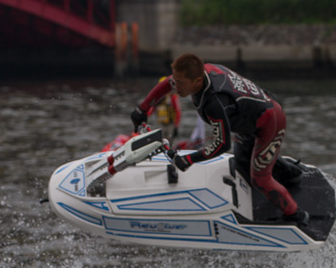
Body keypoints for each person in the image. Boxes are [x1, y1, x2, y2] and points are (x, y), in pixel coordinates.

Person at [131, 53, 308, 223]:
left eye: (180, 83)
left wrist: (189, 159)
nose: (175, 86)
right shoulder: (197, 73)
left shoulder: (214, 102)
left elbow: (222, 144)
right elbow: (167, 84)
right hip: (249, 121)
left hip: (269, 123)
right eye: (175, 81)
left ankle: (296, 215)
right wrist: (143, 109)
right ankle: (292, 173)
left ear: (197, 82)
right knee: (242, 165)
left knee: (259, 179)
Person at [149, 76, 181, 141]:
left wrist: (176, 126)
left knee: (169, 141)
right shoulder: (157, 99)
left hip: (171, 124)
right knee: (160, 141)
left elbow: (178, 112)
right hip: (161, 124)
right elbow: (151, 111)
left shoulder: (173, 98)